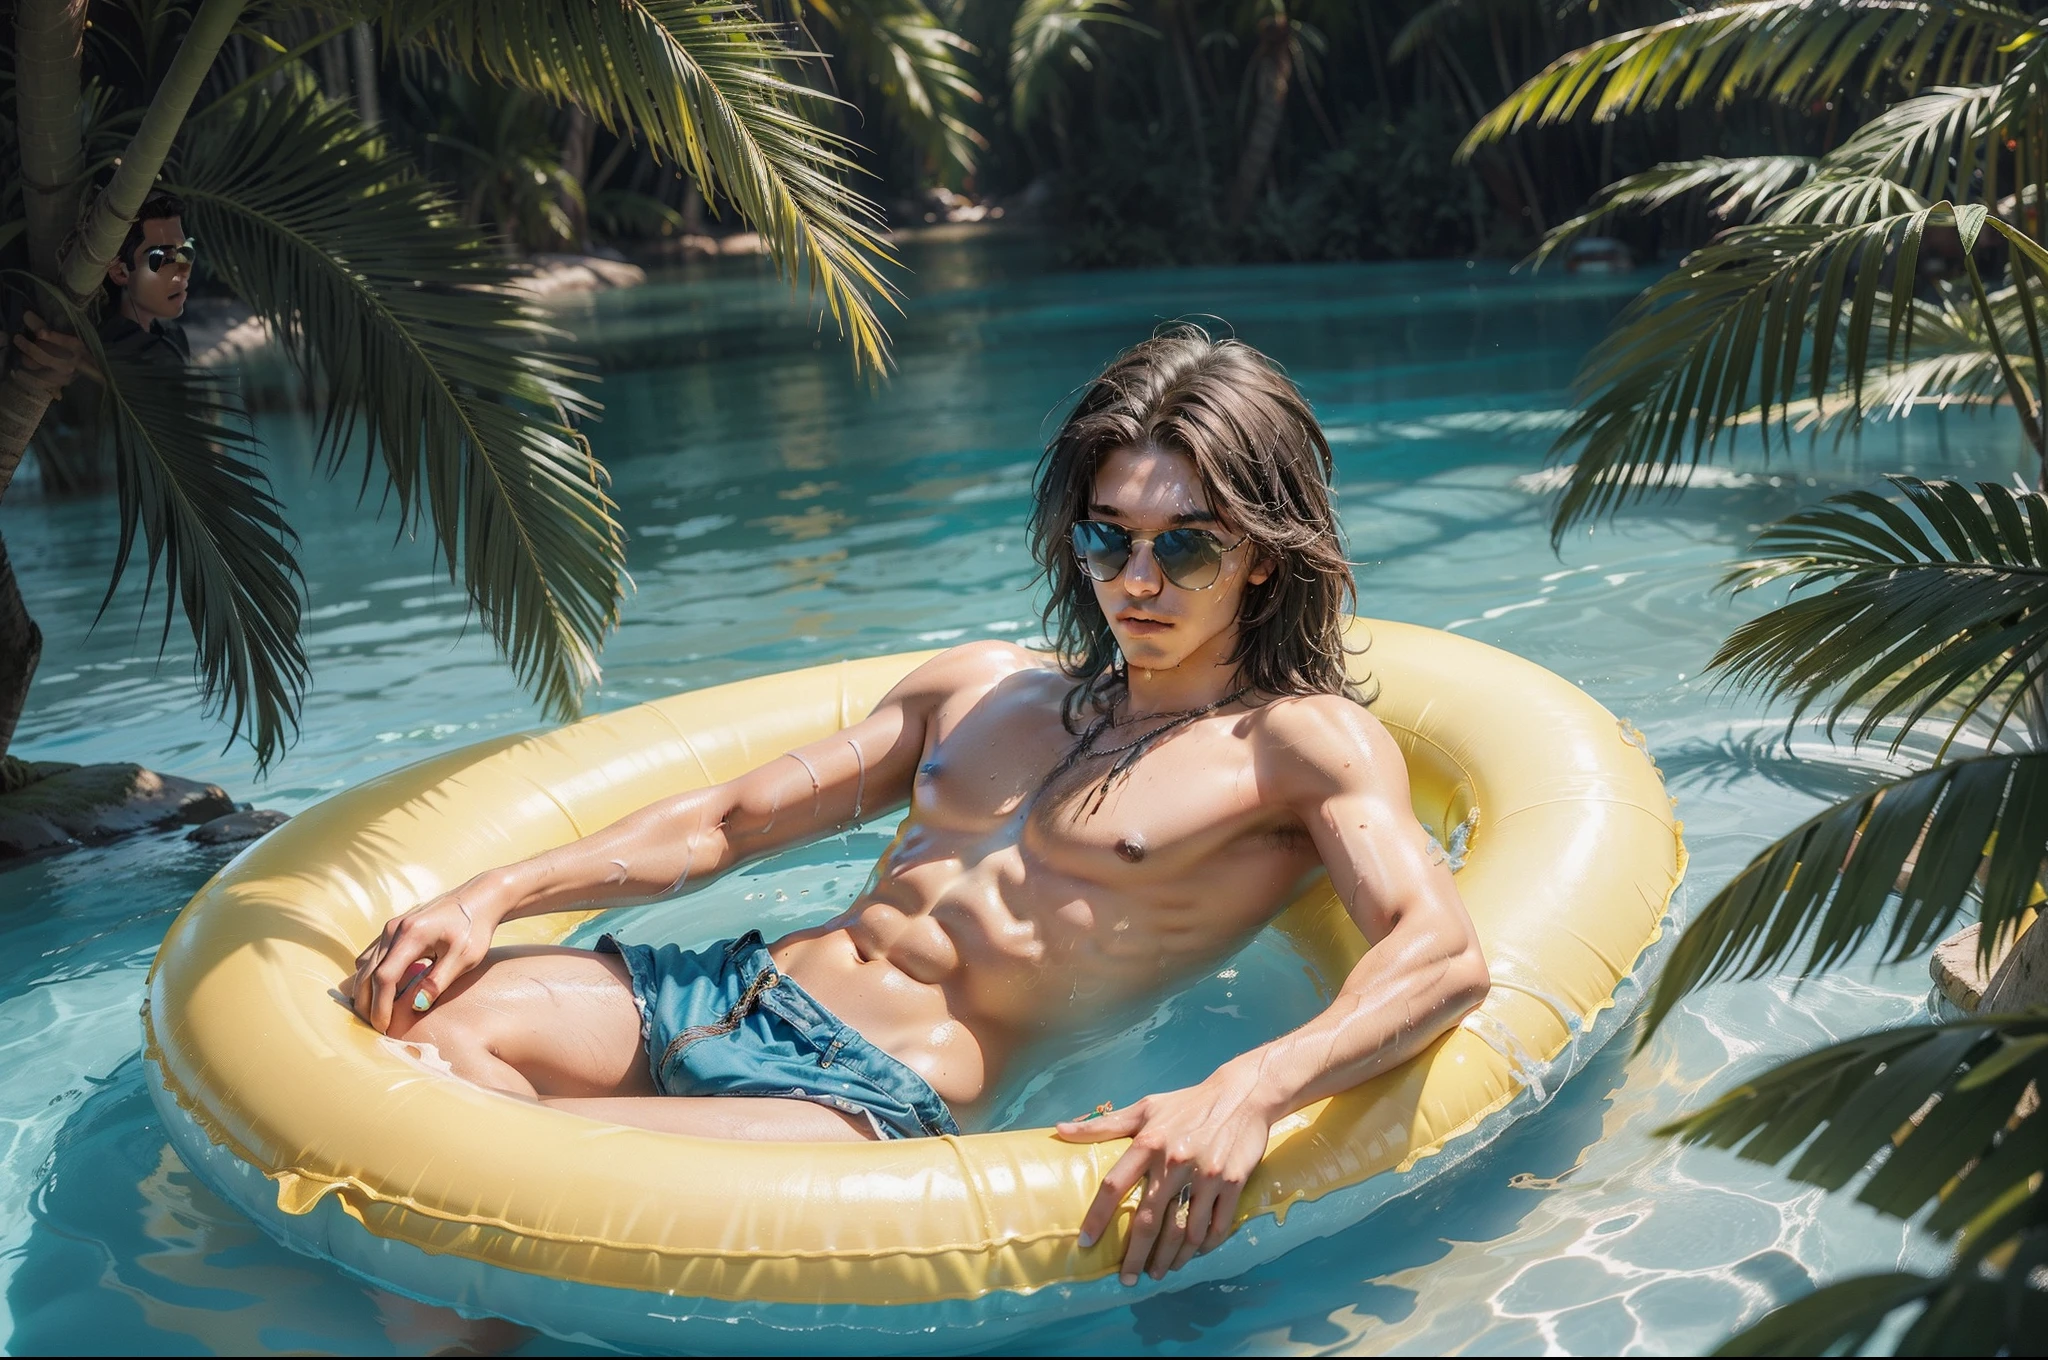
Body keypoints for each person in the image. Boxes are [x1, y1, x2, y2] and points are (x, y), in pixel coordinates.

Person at [348, 326, 1490, 1286]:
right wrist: (492, 893)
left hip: (863, 1094)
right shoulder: (983, 689)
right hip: (734, 987)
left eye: (1185, 546)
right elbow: (724, 825)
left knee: (486, 1155)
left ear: (1260, 558)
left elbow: (1439, 954)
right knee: (424, 1042)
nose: (1136, 580)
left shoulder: (1293, 744)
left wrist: (1247, 1084)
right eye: (1108, 537)